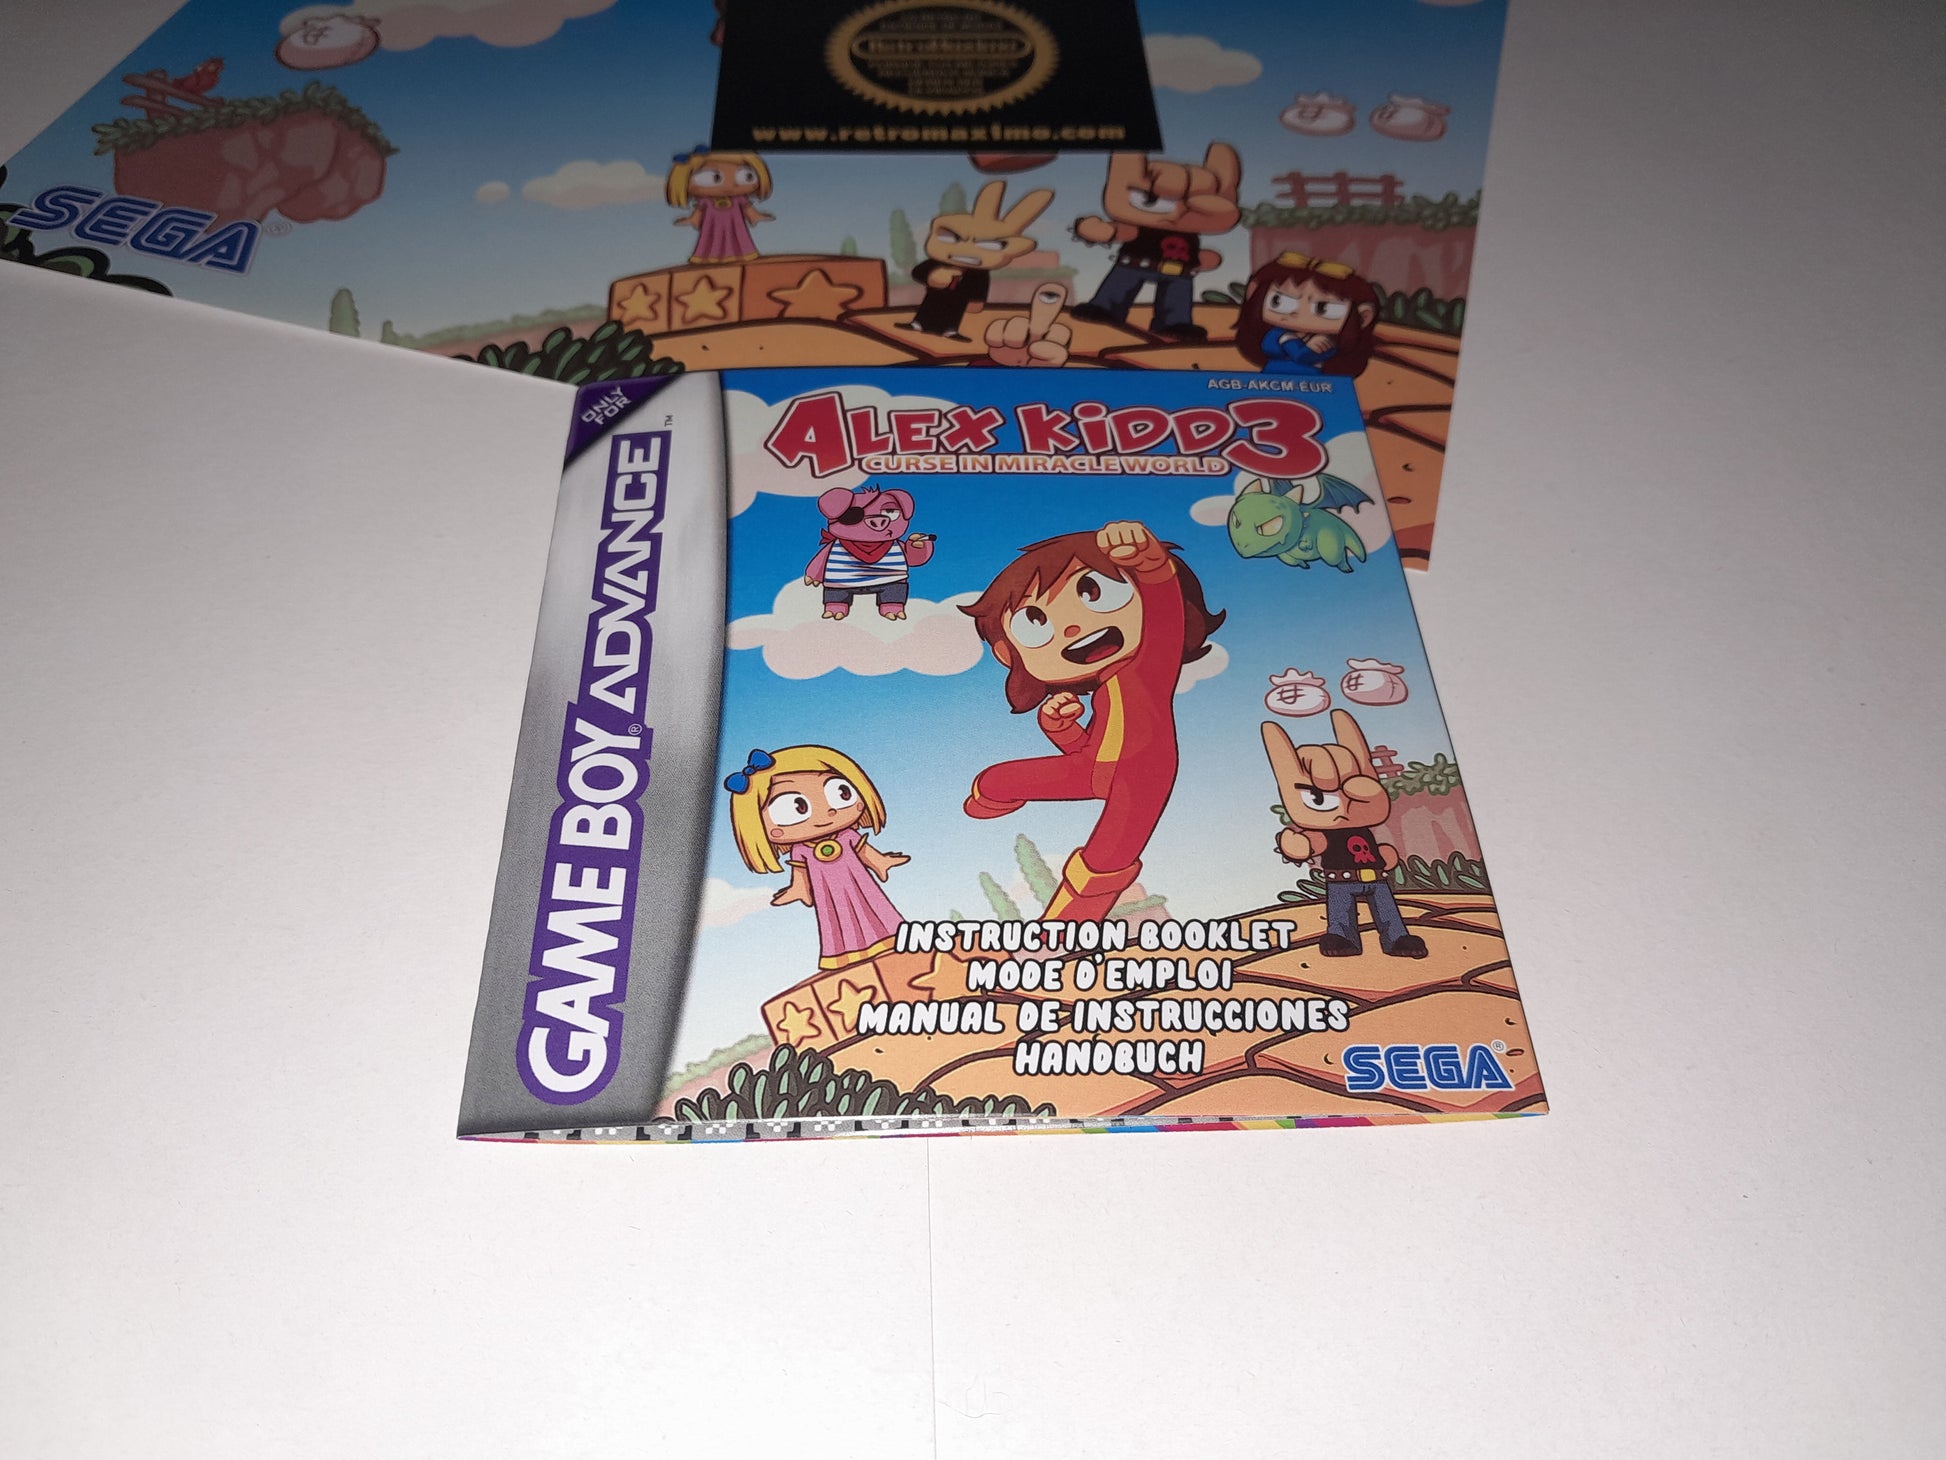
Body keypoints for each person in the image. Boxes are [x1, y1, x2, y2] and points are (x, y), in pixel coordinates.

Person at [725, 746, 908, 969]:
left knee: (873, 906)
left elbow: (867, 853)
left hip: (860, 885)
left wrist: (882, 862)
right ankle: (846, 955)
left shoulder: (847, 836)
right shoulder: (801, 851)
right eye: (796, 807)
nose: (828, 812)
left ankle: (893, 939)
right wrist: (799, 890)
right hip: (827, 894)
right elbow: (800, 876)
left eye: (842, 793)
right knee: (836, 919)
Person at [1236, 251, 1380, 377]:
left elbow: (1327, 357)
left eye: (1323, 308)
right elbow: (1290, 353)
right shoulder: (1277, 334)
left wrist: (1314, 350)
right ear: (1253, 293)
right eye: (1279, 301)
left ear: (1363, 317)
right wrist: (1308, 349)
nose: (1297, 314)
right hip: (1272, 382)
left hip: (1316, 386)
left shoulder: (1327, 341)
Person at [668, 147, 773, 265]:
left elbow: (748, 209)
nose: (730, 185)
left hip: (735, 226)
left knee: (738, 238)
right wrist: (693, 219)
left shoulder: (739, 199)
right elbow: (698, 212)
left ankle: (740, 254)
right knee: (712, 240)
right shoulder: (705, 201)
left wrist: (755, 216)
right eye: (714, 177)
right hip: (712, 226)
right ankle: (711, 257)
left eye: (747, 176)